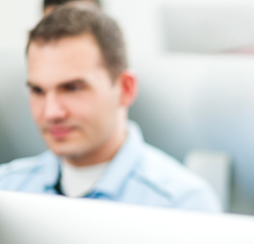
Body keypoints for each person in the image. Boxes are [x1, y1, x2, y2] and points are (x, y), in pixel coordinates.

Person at [0, 4, 221, 213]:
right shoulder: (7, 188)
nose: (51, 113)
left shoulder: (182, 204)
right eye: (38, 91)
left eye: (73, 88)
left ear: (125, 89)